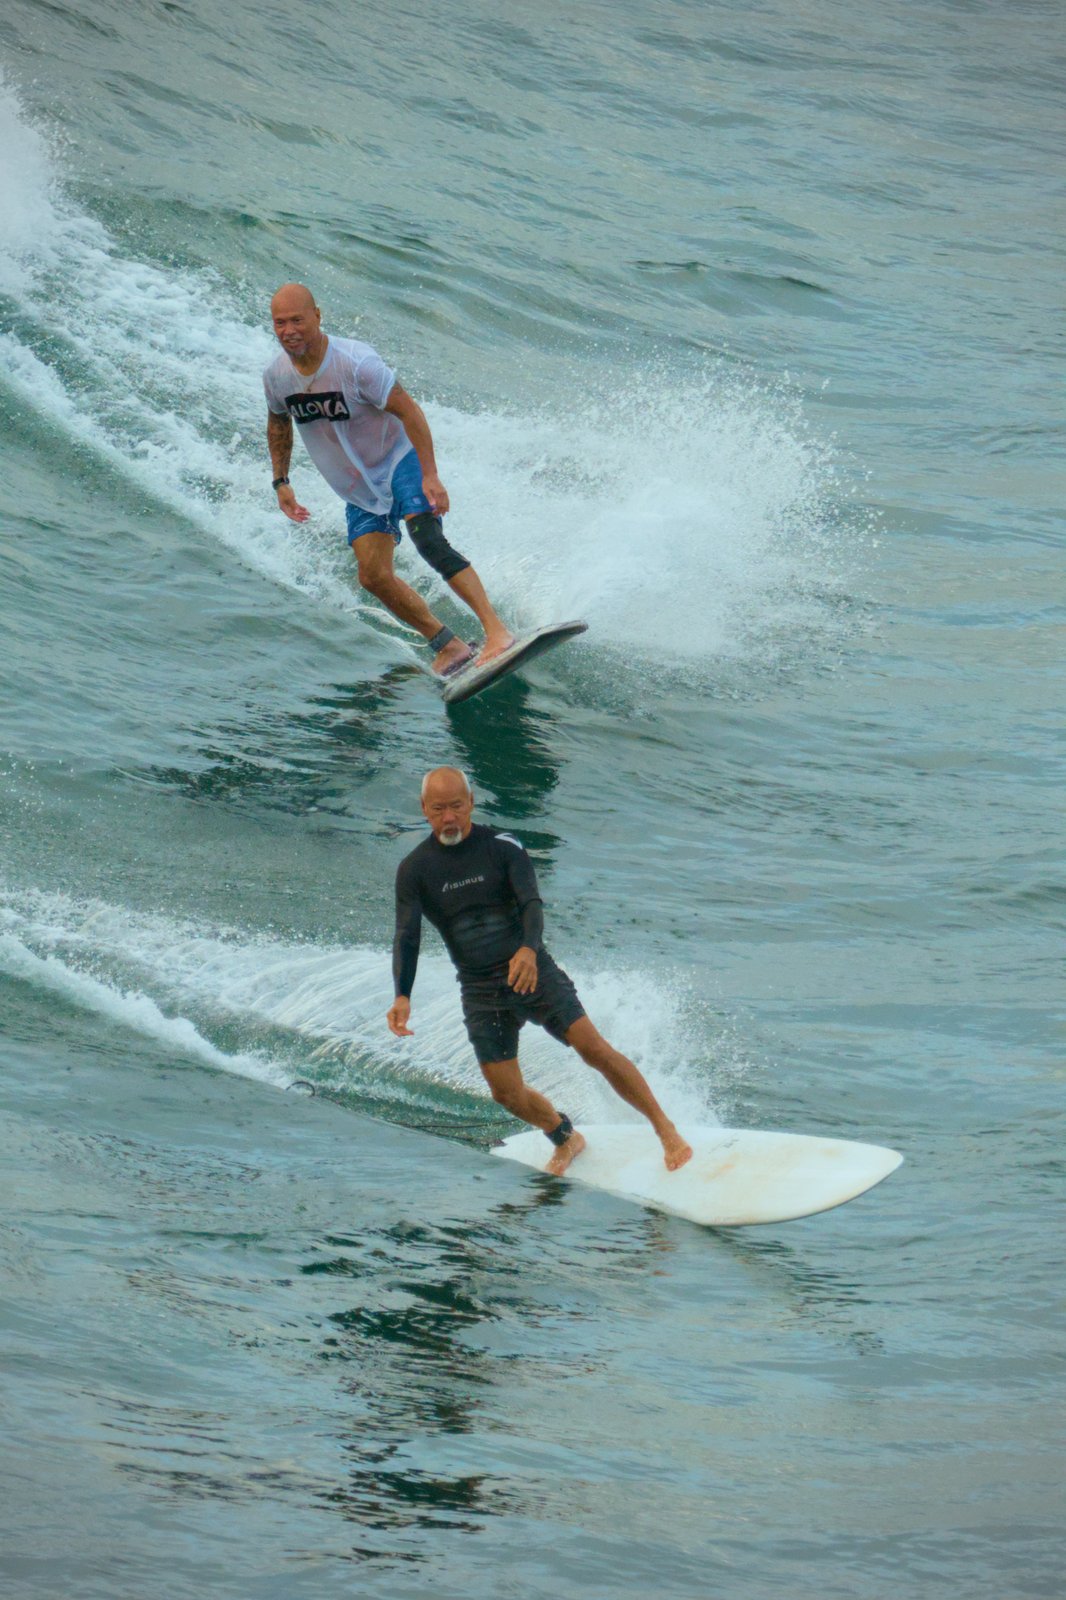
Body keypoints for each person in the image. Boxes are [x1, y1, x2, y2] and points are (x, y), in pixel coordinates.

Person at [387, 767, 693, 1177]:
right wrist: (402, 994)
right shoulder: (415, 869)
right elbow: (407, 934)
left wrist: (529, 951)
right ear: (424, 810)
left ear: (471, 802)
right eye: (439, 809)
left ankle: (665, 1128)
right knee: (506, 1094)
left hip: (531, 970)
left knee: (593, 1049)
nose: (449, 818)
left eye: (457, 806)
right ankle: (564, 1136)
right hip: (480, 989)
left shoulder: (502, 846)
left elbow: (531, 902)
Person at [263, 283, 514, 676]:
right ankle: (449, 646)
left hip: (400, 462)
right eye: (280, 322)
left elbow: (409, 411)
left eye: (297, 319)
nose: (289, 330)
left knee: (428, 539)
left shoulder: (356, 363)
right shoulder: (277, 376)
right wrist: (281, 481)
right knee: (373, 575)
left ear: (317, 315)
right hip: (357, 488)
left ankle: (497, 632)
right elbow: (278, 420)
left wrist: (430, 475)